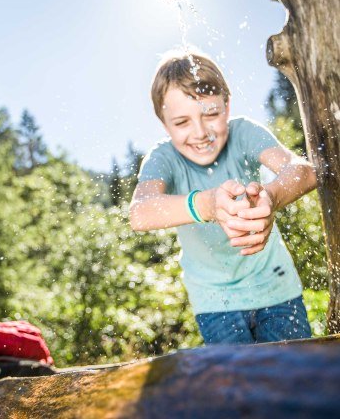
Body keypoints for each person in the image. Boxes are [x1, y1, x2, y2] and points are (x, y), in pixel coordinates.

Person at [130, 50, 317, 345]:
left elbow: (304, 172)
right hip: (216, 304)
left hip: (277, 289)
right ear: (164, 124)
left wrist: (271, 195)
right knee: (238, 389)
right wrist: (206, 204)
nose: (201, 132)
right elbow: (140, 212)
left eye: (211, 114)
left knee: (294, 383)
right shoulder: (163, 157)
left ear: (227, 107)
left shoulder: (243, 133)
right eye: (182, 123)